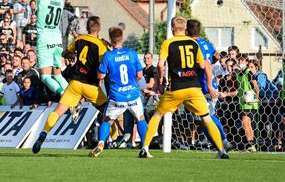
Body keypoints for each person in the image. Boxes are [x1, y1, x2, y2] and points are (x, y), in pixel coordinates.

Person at [139, 16, 228, 159]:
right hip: (194, 87)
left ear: (172, 28)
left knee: (157, 115)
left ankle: (145, 148)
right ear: (185, 29)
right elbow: (204, 65)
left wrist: (161, 82)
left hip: (176, 88)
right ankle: (222, 151)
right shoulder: (194, 43)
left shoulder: (168, 43)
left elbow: (161, 65)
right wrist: (210, 85)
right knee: (206, 118)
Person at [32, 16, 109, 154]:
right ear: (99, 29)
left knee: (57, 111)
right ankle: (111, 140)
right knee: (109, 113)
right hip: (91, 86)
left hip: (74, 84)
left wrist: (71, 55)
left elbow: (65, 52)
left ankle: (43, 133)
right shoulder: (101, 45)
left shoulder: (79, 39)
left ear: (87, 28)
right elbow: (105, 64)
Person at [89, 27, 147, 157]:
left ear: (110, 40)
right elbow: (139, 74)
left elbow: (100, 76)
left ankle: (101, 144)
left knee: (107, 120)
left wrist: (98, 71)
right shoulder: (132, 53)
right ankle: (145, 147)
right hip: (133, 94)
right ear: (122, 38)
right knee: (141, 119)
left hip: (117, 96)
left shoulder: (108, 56)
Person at [186, 19, 230, 150]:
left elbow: (203, 64)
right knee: (201, 121)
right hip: (206, 86)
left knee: (207, 117)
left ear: (187, 31)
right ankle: (219, 146)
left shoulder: (191, 45)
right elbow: (216, 55)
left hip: (204, 86)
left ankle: (224, 141)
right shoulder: (206, 43)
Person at [236, 53, 258, 152]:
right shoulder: (239, 74)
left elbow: (256, 88)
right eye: (239, 61)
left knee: (245, 123)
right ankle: (251, 145)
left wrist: (256, 99)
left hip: (249, 103)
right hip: (242, 103)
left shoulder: (249, 73)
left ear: (246, 62)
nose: (240, 63)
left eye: (242, 61)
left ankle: (251, 144)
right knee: (247, 124)